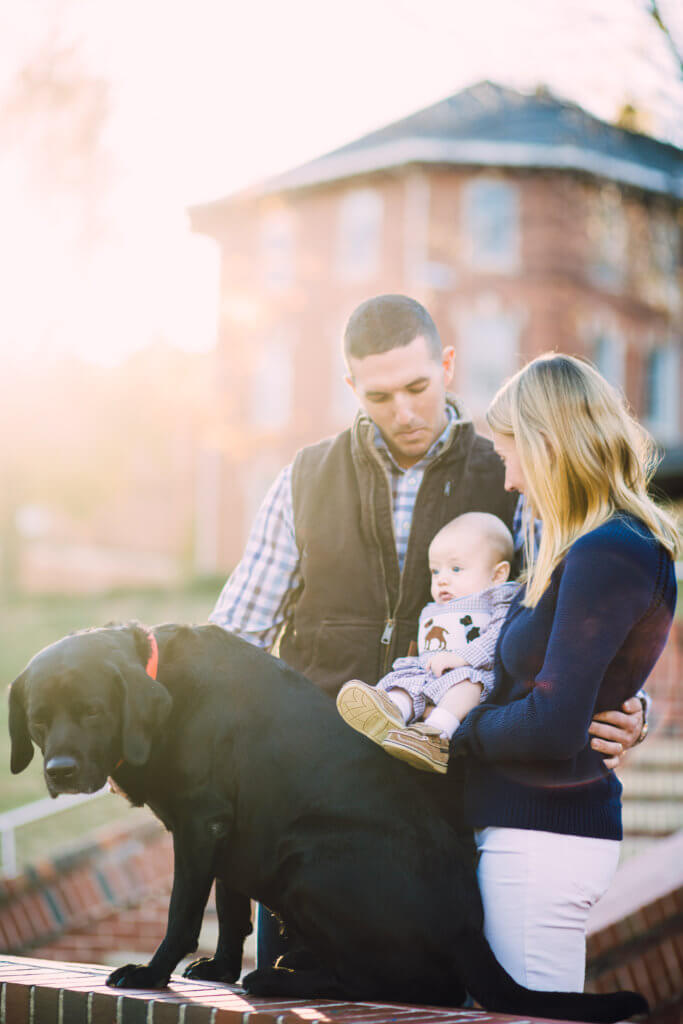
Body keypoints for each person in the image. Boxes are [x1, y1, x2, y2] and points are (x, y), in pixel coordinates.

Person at [209, 295, 646, 967]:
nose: (404, 411)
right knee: (289, 994)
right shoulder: (303, 480)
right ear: (351, 386)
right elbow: (233, 638)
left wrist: (628, 704)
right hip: (307, 813)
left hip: (445, 811)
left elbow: (569, 619)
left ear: (446, 365)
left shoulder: (510, 475)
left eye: (417, 387)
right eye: (380, 396)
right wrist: (174, 720)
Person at [444, 352, 679, 994]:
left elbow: (551, 724)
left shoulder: (609, 550)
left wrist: (456, 734)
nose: (510, 477)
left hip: (542, 843)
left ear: (547, 445)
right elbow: (589, 685)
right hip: (524, 834)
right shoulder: (582, 547)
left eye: (511, 452)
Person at [336, 512, 519, 773]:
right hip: (430, 673)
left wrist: (463, 657)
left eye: (456, 569)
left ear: (498, 574)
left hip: (472, 674)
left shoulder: (498, 598)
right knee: (408, 679)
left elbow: (497, 636)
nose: (442, 579)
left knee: (466, 683)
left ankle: (435, 735)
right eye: (435, 571)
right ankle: (390, 712)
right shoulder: (436, 606)